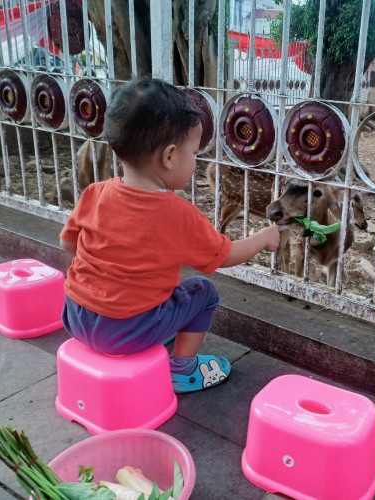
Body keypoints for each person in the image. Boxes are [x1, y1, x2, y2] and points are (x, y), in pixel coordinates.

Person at [59, 78, 280, 392]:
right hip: (125, 330)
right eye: (194, 154)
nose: (195, 163)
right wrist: (264, 237)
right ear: (170, 157)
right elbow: (225, 256)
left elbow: (67, 243)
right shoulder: (177, 213)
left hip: (76, 317)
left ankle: (149, 326)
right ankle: (182, 369)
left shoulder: (95, 193)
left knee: (162, 288)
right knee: (203, 292)